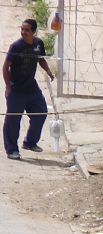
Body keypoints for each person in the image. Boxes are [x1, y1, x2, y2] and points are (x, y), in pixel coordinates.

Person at [3, 19, 55, 160]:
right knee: (13, 120)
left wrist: (49, 71)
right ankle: (12, 150)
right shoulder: (16, 47)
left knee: (41, 113)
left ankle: (30, 142)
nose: (23, 32)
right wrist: (8, 87)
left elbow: (41, 59)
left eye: (27, 30)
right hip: (16, 90)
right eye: (22, 29)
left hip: (31, 88)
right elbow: (5, 67)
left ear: (34, 32)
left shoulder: (38, 44)